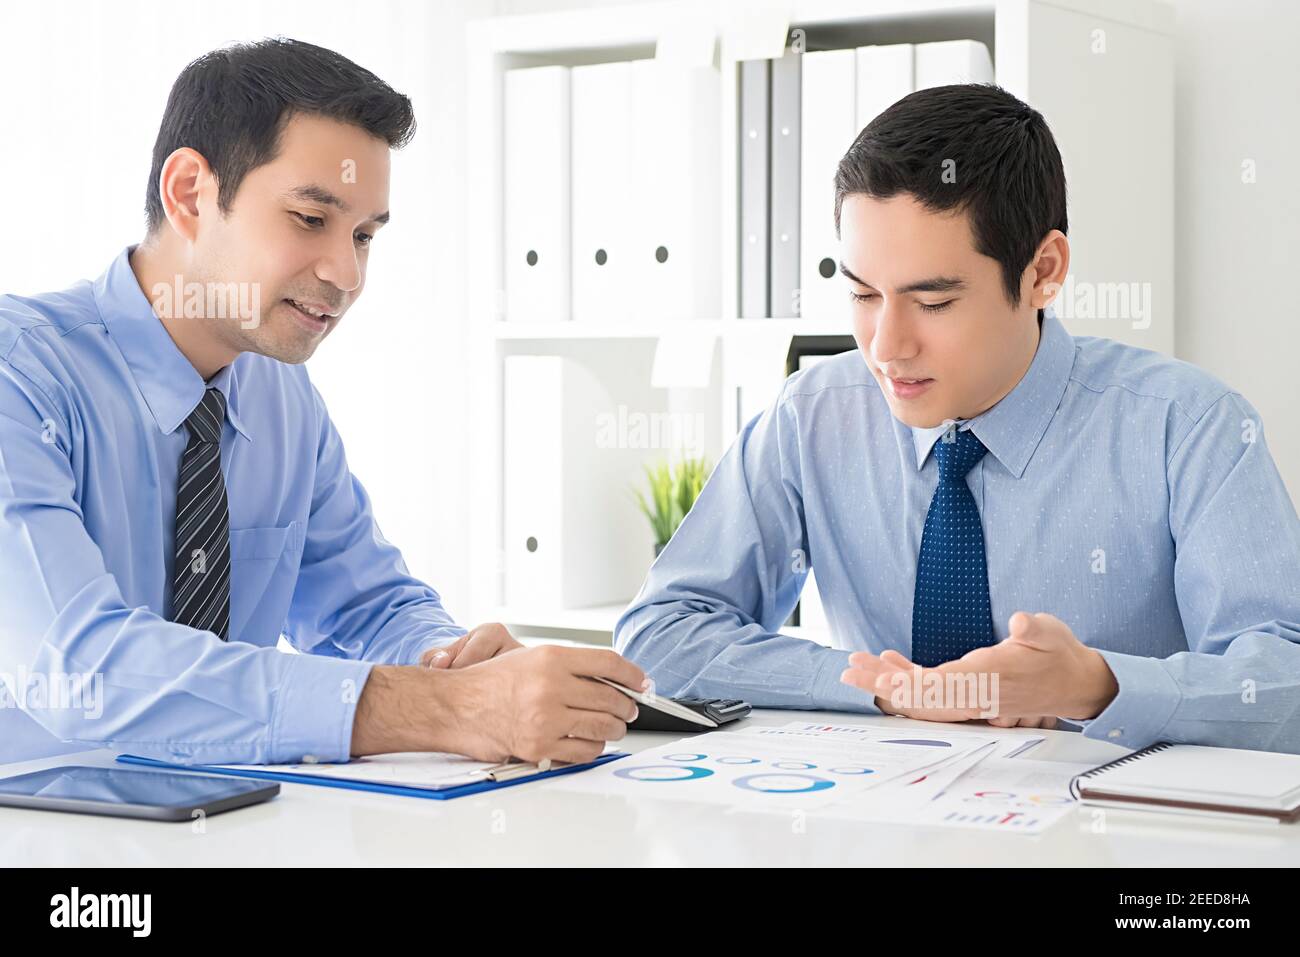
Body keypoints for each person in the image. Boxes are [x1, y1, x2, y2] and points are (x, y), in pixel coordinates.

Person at [0, 38, 644, 768]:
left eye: (364, 235)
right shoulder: (19, 375)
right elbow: (80, 668)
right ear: (189, 194)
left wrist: (456, 664)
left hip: (233, 823)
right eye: (311, 218)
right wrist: (446, 709)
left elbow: (364, 604)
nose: (346, 273)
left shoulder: (279, 396)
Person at [616, 83, 1300, 754]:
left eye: (933, 302)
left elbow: (1285, 685)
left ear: (1043, 271)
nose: (886, 347)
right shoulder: (812, 417)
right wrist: (880, 687)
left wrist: (1098, 686)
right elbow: (663, 632)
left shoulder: (1190, 427)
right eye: (862, 294)